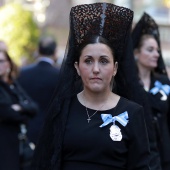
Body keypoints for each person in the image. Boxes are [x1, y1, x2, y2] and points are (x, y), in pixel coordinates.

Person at [32, 3, 151, 170]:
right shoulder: (62, 109)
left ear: (115, 68)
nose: (96, 69)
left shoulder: (132, 113)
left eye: (103, 61)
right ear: (76, 68)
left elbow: (140, 166)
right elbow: (45, 161)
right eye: (88, 61)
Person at [132, 12, 170, 170]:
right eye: (150, 50)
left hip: (166, 154)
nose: (156, 54)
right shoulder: (129, 86)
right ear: (136, 53)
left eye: (157, 50)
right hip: (139, 155)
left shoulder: (164, 83)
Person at [17, 36, 60, 145]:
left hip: (26, 130)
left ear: (38, 51)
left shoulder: (22, 73)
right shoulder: (60, 75)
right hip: (51, 131)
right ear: (55, 52)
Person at [0, 50, 38, 170]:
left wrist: (20, 107)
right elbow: (7, 112)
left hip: (20, 145)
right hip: (4, 147)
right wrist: (24, 111)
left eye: (1, 61)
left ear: (9, 64)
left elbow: (34, 107)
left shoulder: (14, 85)